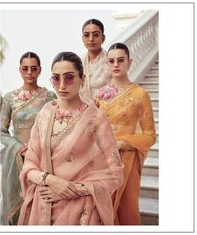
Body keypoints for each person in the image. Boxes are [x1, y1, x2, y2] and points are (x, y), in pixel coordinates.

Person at [17, 51, 124, 225]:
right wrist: (50, 180)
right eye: (56, 78)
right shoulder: (44, 113)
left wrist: (71, 189)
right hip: (43, 204)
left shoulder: (96, 119)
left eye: (69, 78)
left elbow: (115, 174)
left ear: (82, 79)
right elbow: (30, 165)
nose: (62, 85)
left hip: (81, 209)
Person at [96, 43, 156, 225]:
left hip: (127, 160)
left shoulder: (140, 94)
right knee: (102, 207)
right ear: (106, 64)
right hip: (101, 159)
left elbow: (150, 135)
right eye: (111, 61)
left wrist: (123, 143)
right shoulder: (99, 95)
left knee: (127, 207)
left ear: (129, 62)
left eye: (120, 60)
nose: (116, 65)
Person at [0, 52, 57, 225]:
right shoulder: (10, 98)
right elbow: (1, 131)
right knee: (16, 203)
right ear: (20, 70)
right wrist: (18, 146)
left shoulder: (50, 97)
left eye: (34, 68)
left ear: (40, 70)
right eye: (25, 68)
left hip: (41, 157)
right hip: (15, 157)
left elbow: (56, 126)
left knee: (41, 203)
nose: (29, 72)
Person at [80, 19, 109, 99]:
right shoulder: (78, 62)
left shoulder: (111, 62)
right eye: (86, 35)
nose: (91, 39)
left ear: (103, 38)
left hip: (105, 109)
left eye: (95, 35)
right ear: (82, 38)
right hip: (81, 109)